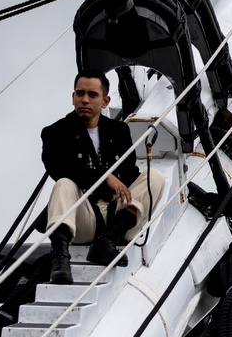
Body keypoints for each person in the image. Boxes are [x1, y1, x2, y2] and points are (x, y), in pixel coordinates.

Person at [41, 68, 165, 285]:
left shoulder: (119, 131)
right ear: (73, 98)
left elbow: (129, 173)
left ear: (106, 101)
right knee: (64, 184)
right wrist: (105, 177)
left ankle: (108, 241)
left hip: (116, 218)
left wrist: (119, 188)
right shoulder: (55, 133)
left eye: (92, 95)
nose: (85, 100)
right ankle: (60, 256)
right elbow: (58, 167)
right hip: (83, 218)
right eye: (80, 94)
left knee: (154, 177)